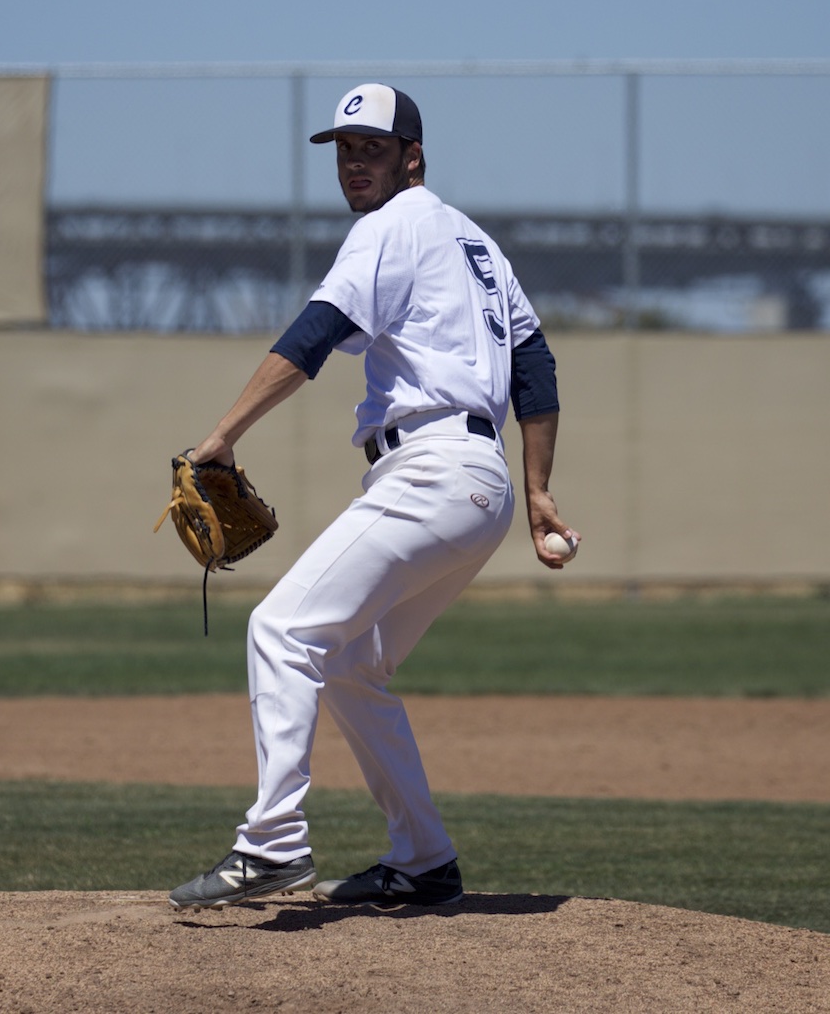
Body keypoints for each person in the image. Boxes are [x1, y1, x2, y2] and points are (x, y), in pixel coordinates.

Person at [169, 83, 579, 911]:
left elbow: (315, 333)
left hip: (434, 469)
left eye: (373, 149)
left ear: (411, 157)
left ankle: (272, 843)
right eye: (345, 150)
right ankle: (425, 860)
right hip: (480, 485)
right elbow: (533, 363)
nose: (354, 164)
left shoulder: (390, 227)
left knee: (281, 630)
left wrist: (223, 435)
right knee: (353, 664)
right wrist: (535, 490)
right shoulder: (477, 246)